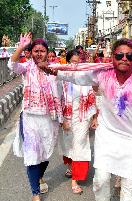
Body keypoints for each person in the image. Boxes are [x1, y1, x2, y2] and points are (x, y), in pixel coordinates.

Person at [39, 38, 132, 201]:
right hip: (106, 138)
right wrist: (50, 69)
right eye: (120, 55)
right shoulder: (102, 75)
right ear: (112, 57)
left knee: (129, 185)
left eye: (129, 56)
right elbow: (75, 75)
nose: (124, 59)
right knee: (101, 180)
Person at [8, 33, 63, 201]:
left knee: (46, 154)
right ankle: (35, 193)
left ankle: (39, 176)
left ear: (47, 53)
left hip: (50, 118)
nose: (39, 53)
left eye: (42, 51)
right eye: (36, 50)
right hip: (30, 118)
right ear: (31, 53)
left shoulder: (54, 69)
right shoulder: (26, 68)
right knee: (32, 155)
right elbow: (12, 64)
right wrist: (22, 46)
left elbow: (63, 90)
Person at [58, 49, 97, 194]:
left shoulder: (85, 76)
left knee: (80, 145)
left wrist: (94, 117)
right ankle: (71, 168)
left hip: (82, 118)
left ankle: (75, 179)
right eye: (72, 62)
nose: (75, 65)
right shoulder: (62, 77)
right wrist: (62, 119)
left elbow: (92, 96)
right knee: (69, 145)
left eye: (78, 62)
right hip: (67, 118)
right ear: (67, 62)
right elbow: (58, 99)